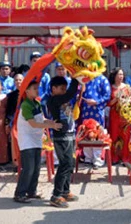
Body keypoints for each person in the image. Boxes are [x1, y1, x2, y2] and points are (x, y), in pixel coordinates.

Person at [14, 81, 62, 203]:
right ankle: (19, 193)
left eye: (37, 88)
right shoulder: (26, 105)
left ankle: (31, 191)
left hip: (36, 138)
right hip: (27, 139)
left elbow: (41, 119)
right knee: (28, 168)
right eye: (34, 88)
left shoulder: (37, 103)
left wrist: (50, 122)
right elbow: (33, 123)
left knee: (36, 167)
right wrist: (51, 126)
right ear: (27, 91)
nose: (37, 90)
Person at [47, 76, 79, 208]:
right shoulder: (54, 99)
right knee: (65, 164)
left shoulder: (62, 98)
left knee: (70, 163)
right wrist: (76, 78)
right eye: (61, 89)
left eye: (65, 89)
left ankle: (65, 191)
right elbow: (71, 94)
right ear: (53, 89)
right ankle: (56, 195)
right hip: (61, 136)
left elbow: (71, 95)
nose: (64, 91)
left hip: (70, 134)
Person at [80, 74, 111, 167]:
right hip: (86, 110)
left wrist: (97, 102)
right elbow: (79, 93)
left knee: (98, 133)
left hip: (97, 110)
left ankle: (97, 159)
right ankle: (88, 157)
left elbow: (107, 95)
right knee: (86, 132)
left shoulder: (103, 79)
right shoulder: (84, 78)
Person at [108, 68, 131, 163]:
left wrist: (127, 100)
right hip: (114, 115)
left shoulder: (127, 87)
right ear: (114, 76)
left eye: (122, 74)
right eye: (119, 74)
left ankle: (125, 158)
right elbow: (108, 103)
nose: (121, 76)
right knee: (114, 135)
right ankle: (114, 158)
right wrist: (116, 99)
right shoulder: (110, 87)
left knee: (126, 136)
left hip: (125, 115)